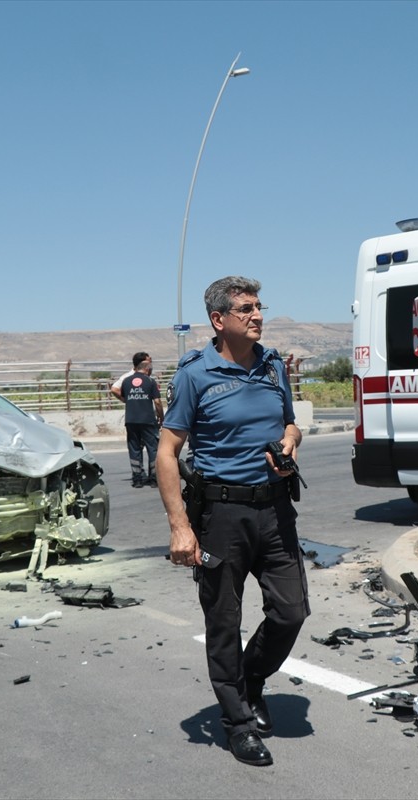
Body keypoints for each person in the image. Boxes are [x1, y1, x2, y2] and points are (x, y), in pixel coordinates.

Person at [156, 276, 307, 768]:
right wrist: (180, 527)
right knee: (223, 620)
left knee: (291, 611)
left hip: (275, 509)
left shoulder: (272, 365)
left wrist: (290, 442)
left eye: (259, 306)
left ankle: (250, 679)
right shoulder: (195, 375)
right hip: (221, 515)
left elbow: (290, 422)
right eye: (246, 308)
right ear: (219, 320)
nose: (257, 315)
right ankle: (238, 723)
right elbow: (167, 451)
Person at [116, 353, 163, 487]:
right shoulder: (150, 381)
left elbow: (124, 397)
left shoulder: (126, 381)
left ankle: (137, 479)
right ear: (147, 369)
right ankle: (154, 479)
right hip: (147, 420)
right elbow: (157, 402)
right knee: (152, 448)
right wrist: (161, 417)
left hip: (131, 420)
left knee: (134, 449)